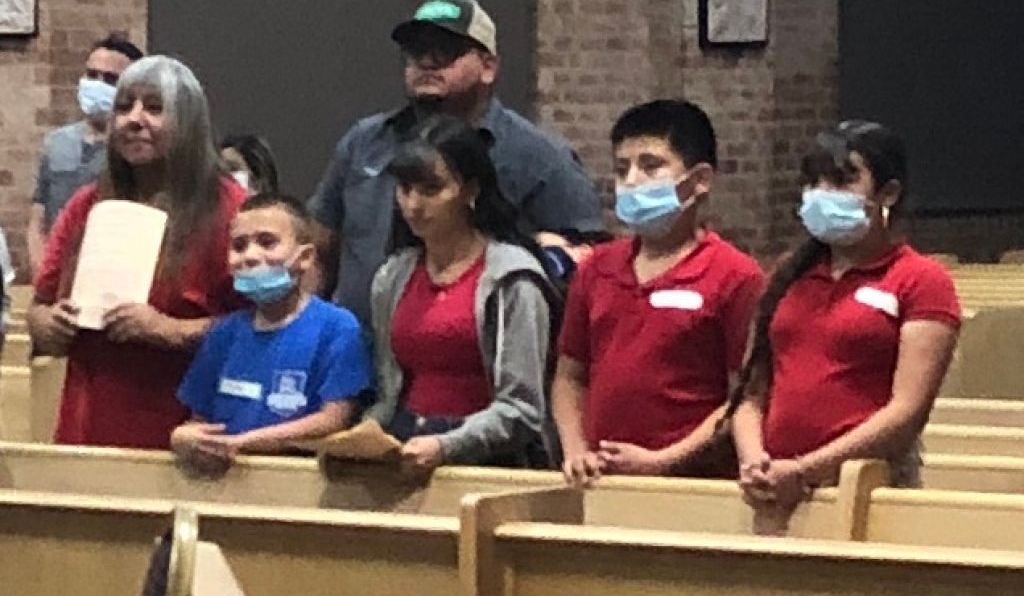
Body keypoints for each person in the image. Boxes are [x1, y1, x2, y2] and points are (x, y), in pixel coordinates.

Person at [308, 0, 604, 326]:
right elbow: (320, 248)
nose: (428, 63)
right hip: (360, 355)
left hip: (473, 358)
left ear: (488, 66)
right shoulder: (366, 141)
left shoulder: (539, 158)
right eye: (417, 51)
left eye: (445, 51)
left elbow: (588, 267)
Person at [729, 121, 960, 520]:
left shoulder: (920, 280)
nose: (822, 195)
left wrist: (806, 469)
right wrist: (754, 462)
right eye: (814, 183)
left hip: (866, 486)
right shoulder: (789, 273)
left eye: (841, 183)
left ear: (888, 193)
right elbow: (752, 392)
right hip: (772, 484)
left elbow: (906, 411)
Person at [28, 55, 249, 449]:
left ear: (188, 122)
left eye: (154, 108)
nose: (134, 119)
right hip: (88, 420)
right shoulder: (86, 204)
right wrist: (49, 325)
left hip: (186, 427)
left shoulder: (232, 209)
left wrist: (169, 330)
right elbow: (40, 306)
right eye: (125, 106)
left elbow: (260, 323)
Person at [552, 100, 764, 487]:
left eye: (651, 166)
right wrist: (575, 449)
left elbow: (743, 397)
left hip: (691, 484)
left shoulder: (735, 275)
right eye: (621, 169)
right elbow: (570, 377)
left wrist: (663, 461)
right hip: (599, 479)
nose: (632, 180)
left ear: (699, 180)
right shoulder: (596, 268)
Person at [365, 115, 556, 472]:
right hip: (408, 443)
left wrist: (448, 444)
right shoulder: (393, 276)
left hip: (488, 458)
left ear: (470, 190)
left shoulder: (512, 277)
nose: (413, 205)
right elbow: (389, 389)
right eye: (405, 189)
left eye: (431, 190)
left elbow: (522, 410)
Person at [173, 194, 371, 471]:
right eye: (239, 246)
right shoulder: (224, 333)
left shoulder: (336, 327)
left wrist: (244, 442)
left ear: (304, 257)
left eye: (267, 242)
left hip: (299, 483)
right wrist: (184, 437)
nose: (251, 256)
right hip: (224, 483)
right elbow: (200, 418)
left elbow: (333, 420)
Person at [28, 33, 144, 275]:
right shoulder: (57, 143)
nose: (97, 84)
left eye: (110, 79)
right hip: (58, 274)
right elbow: (38, 220)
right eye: (92, 75)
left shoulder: (136, 148)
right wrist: (43, 276)